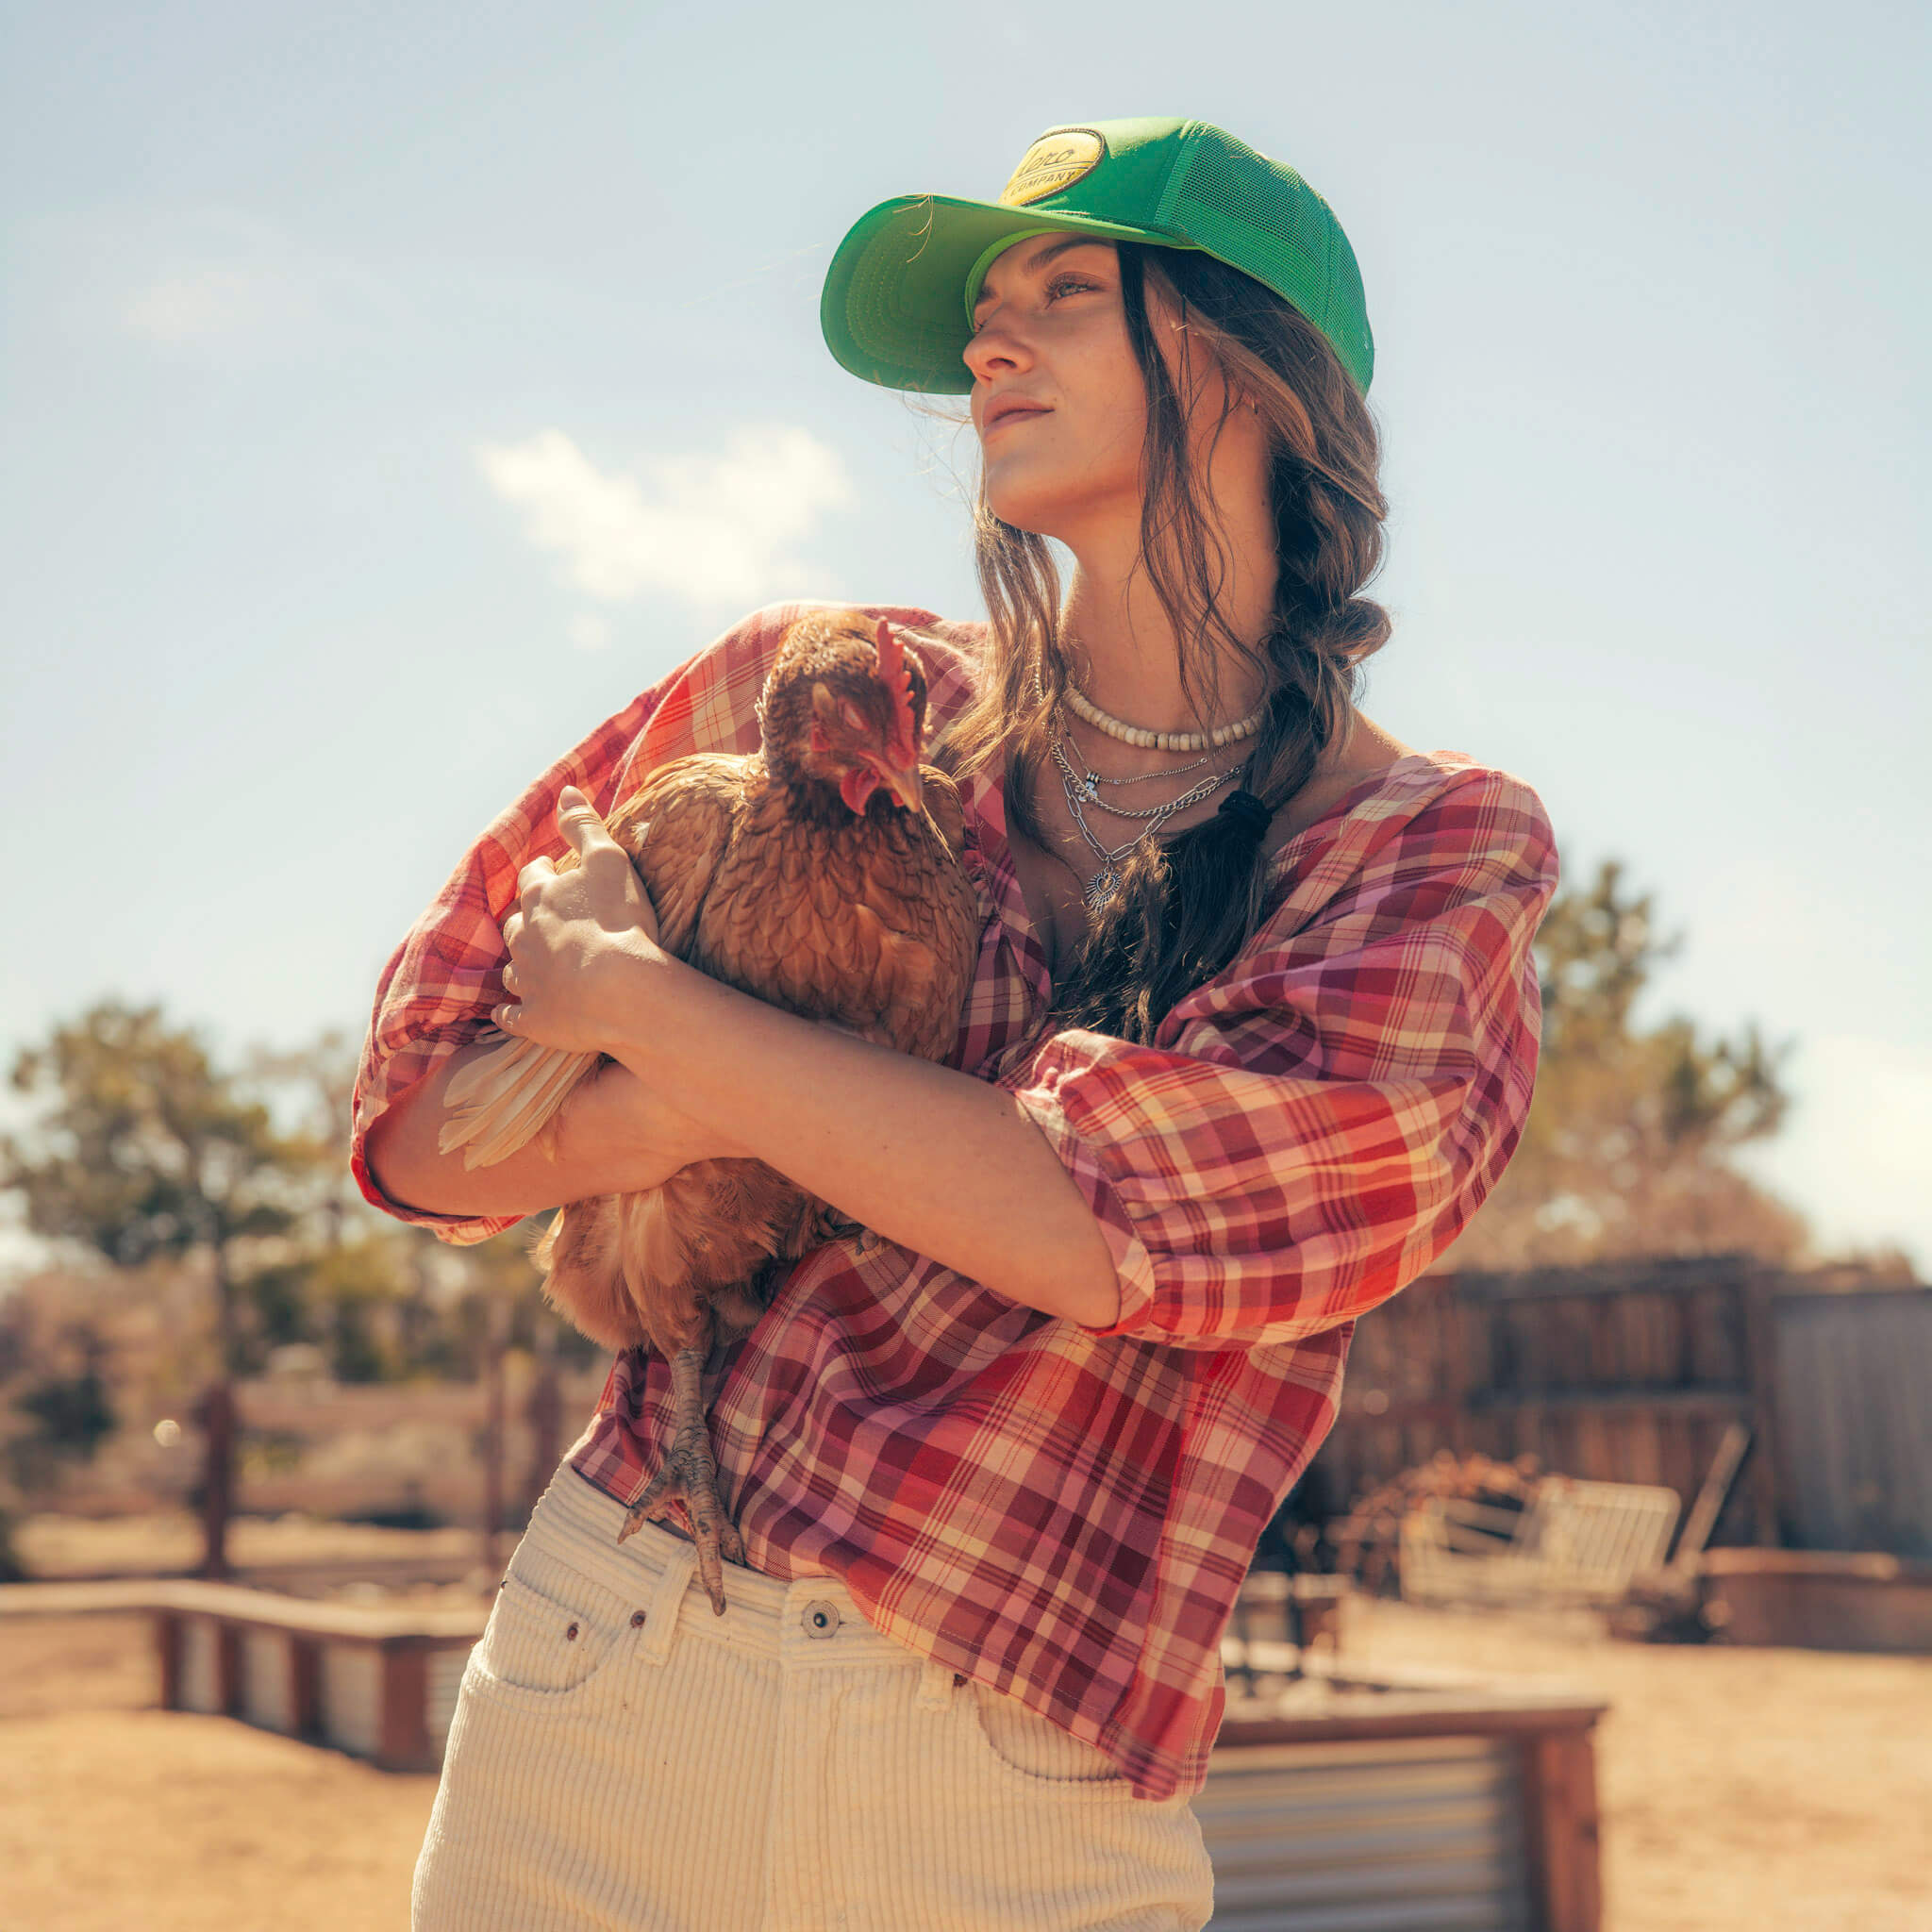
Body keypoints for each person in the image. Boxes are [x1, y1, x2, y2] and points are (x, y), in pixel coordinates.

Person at [356, 116, 1558, 1932]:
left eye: (1065, 296)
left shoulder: (1421, 851)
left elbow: (1109, 1229)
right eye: (986, 312)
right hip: (610, 1657)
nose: (990, 348)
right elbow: (429, 1138)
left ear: (1249, 369)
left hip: (1009, 1767)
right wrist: (677, 1084)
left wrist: (643, 1008)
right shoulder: (820, 691)